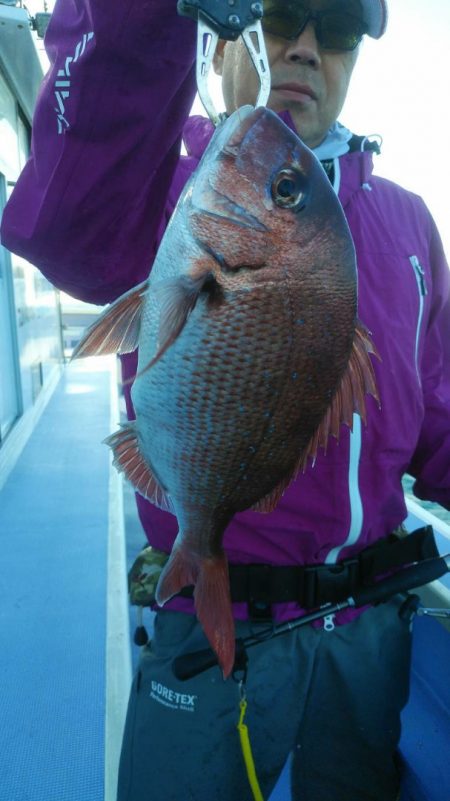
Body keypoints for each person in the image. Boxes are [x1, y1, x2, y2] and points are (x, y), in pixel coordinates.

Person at [2, 0, 450, 799]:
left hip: (372, 633)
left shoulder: (411, 225)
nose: (308, 50)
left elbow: (442, 418)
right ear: (226, 36)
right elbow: (63, 227)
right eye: (284, 18)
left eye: (339, 32)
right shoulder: (164, 193)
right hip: (214, 624)